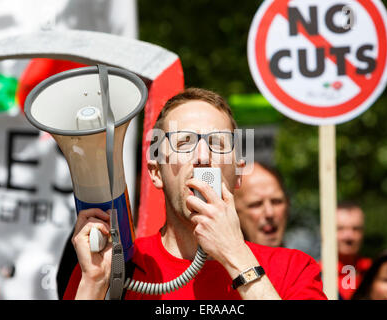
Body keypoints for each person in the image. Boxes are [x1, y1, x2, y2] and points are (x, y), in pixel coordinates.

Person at [63, 88, 327, 300]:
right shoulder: (117, 266)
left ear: (237, 172)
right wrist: (95, 284)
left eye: (218, 143)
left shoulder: (292, 269)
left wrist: (236, 256)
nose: (203, 157)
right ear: (156, 172)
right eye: (184, 143)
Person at [234, 162, 289, 248]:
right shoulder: (211, 261)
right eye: (256, 204)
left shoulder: (306, 260)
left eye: (276, 201)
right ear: (234, 211)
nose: (270, 213)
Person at [336, 202, 372, 299]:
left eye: (356, 229)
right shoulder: (313, 275)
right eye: (340, 228)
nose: (349, 236)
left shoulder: (374, 272)